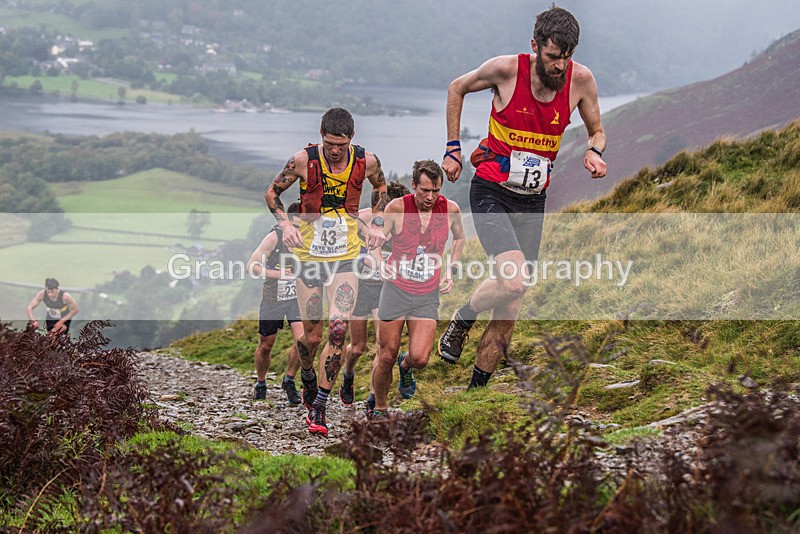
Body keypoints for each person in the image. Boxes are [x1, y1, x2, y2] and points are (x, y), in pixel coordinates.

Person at [438, 6, 607, 388]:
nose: (560, 66)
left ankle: (475, 391)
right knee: (515, 281)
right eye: (552, 57)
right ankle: (463, 316)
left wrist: (594, 151)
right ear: (535, 46)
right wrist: (453, 148)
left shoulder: (581, 81)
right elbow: (456, 88)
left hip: (532, 201)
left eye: (567, 57)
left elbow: (597, 130)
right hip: (491, 190)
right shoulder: (506, 70)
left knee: (510, 306)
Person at [265, 107, 388, 437]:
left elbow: (380, 188)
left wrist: (376, 222)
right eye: (329, 143)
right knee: (313, 336)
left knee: (338, 330)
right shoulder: (303, 161)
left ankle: (319, 405)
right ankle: (305, 373)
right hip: (308, 259)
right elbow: (272, 193)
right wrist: (284, 225)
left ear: (351, 138)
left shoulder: (367, 161)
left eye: (340, 144)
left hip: (346, 258)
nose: (334, 150)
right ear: (321, 137)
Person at [371, 160, 465, 417]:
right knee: (386, 355)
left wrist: (451, 269)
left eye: (435, 191)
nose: (430, 197)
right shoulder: (397, 207)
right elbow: (376, 239)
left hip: (426, 294)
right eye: (425, 191)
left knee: (420, 358)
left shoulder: (450, 210)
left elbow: (459, 238)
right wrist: (380, 263)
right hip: (396, 290)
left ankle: (407, 365)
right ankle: (380, 408)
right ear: (414, 186)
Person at [339, 182, 410, 413]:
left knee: (383, 347)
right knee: (358, 347)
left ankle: (373, 397)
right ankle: (348, 374)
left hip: (384, 289)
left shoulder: (403, 222)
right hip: (360, 288)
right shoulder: (361, 219)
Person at [247, 202, 304, 405]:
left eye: (302, 227)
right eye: (295, 227)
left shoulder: (309, 236)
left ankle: (289, 380)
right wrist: (277, 273)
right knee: (266, 345)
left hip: (297, 297)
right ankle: (261, 383)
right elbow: (251, 266)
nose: (298, 232)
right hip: (273, 297)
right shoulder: (275, 237)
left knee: (303, 342)